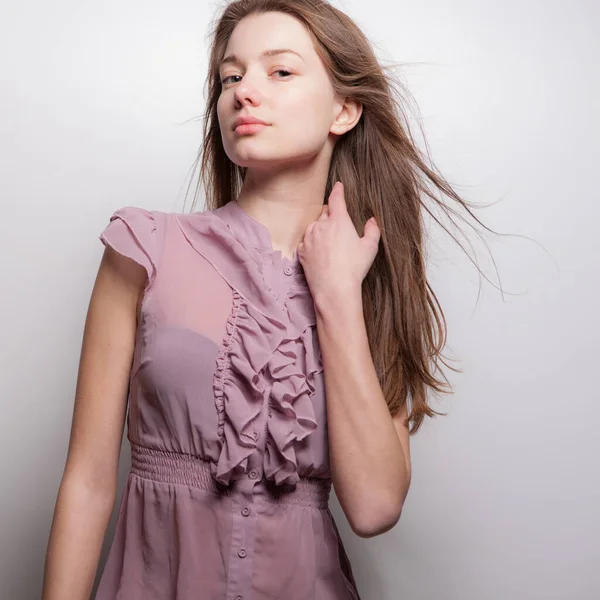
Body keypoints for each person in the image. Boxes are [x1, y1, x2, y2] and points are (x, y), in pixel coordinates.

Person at [42, 1, 499, 599]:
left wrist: (336, 295)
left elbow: (375, 506)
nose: (243, 93)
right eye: (230, 77)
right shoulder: (143, 249)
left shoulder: (371, 281)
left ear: (344, 108)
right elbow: (89, 480)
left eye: (279, 72)